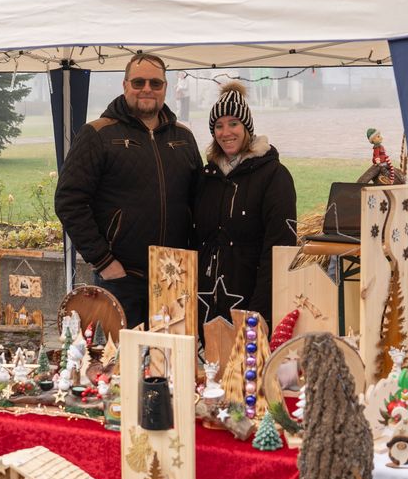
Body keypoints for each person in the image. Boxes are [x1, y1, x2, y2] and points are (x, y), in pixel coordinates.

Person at [55, 54, 201, 328]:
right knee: (122, 363)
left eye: (155, 83)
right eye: (139, 82)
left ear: (165, 88)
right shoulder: (98, 134)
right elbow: (69, 200)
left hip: (173, 274)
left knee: (170, 363)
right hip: (122, 277)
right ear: (125, 85)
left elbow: (200, 201)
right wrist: (103, 260)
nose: (147, 88)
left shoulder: (183, 138)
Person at [193, 81, 296, 330]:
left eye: (233, 123)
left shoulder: (274, 176)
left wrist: (259, 309)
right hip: (207, 303)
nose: (225, 132)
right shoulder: (206, 177)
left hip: (251, 299)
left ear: (247, 127)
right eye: (218, 126)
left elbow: (279, 248)